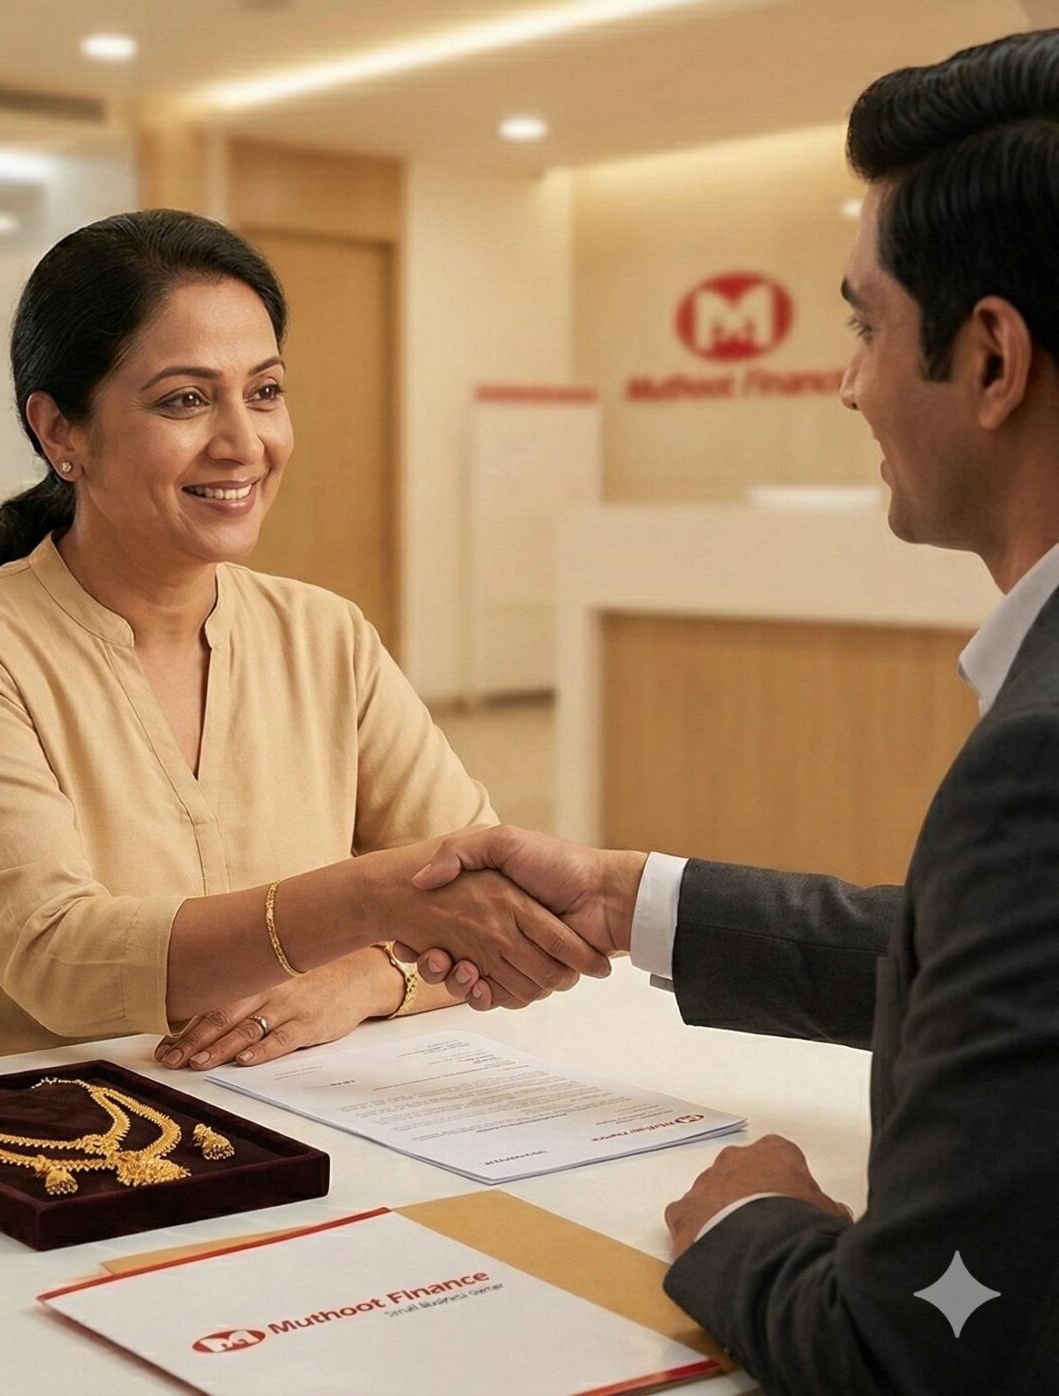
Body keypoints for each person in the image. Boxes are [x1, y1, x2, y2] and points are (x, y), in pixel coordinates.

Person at [404, 30, 1059, 1392]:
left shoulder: (1038, 760)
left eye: (866, 326)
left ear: (993, 360)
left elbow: (910, 1349)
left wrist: (752, 1219)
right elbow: (1000, 969)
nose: (849, 382)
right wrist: (629, 897)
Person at [0, 208, 609, 1079]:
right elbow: (62, 961)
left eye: (266, 391)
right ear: (61, 432)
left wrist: (362, 979)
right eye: (186, 399)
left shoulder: (324, 635)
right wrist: (369, 902)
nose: (245, 443)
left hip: (252, 1103)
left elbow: (485, 898)